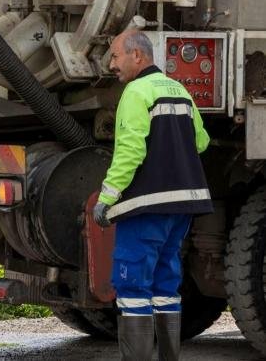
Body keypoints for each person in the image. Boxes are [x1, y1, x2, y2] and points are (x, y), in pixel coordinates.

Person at [93, 30, 212, 361]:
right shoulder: (179, 90)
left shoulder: (136, 91)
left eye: (115, 56)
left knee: (132, 285)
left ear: (138, 56)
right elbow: (201, 141)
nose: (111, 64)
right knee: (165, 284)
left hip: (145, 207)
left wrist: (107, 197)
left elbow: (130, 151)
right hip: (181, 207)